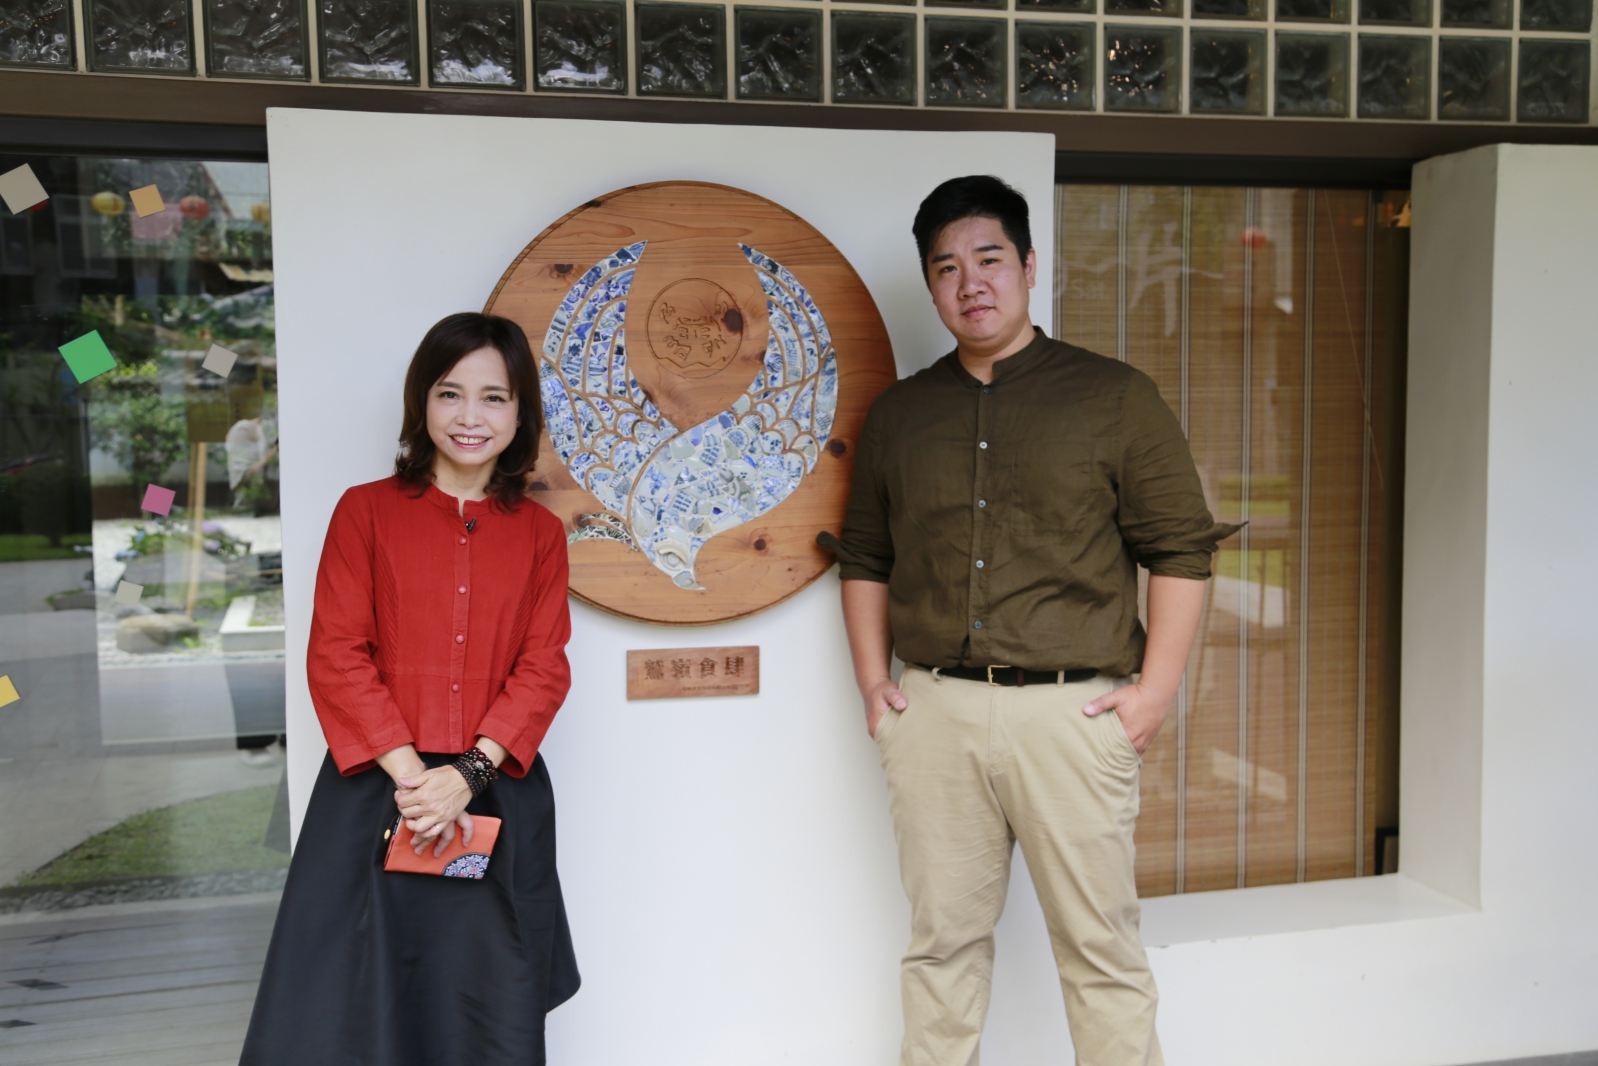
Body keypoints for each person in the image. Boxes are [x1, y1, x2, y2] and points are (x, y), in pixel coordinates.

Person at [822, 176, 1235, 1066]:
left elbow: (1180, 549)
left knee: (1100, 951)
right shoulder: (900, 414)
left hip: (1072, 714)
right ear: (931, 285)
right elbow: (865, 557)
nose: (970, 283)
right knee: (941, 949)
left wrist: (1154, 693)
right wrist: (873, 684)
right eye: (946, 268)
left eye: (989, 259)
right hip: (935, 713)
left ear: (1030, 266)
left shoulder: (1115, 397)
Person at [240, 312, 579, 1066]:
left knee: (486, 1001)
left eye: (494, 397)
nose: (469, 416)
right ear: (421, 402)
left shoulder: (540, 534)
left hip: (495, 794)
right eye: (449, 393)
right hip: (378, 793)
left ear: (520, 412)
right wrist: (419, 784)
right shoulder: (364, 512)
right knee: (358, 1005)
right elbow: (337, 654)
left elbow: (543, 667)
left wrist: (467, 776)